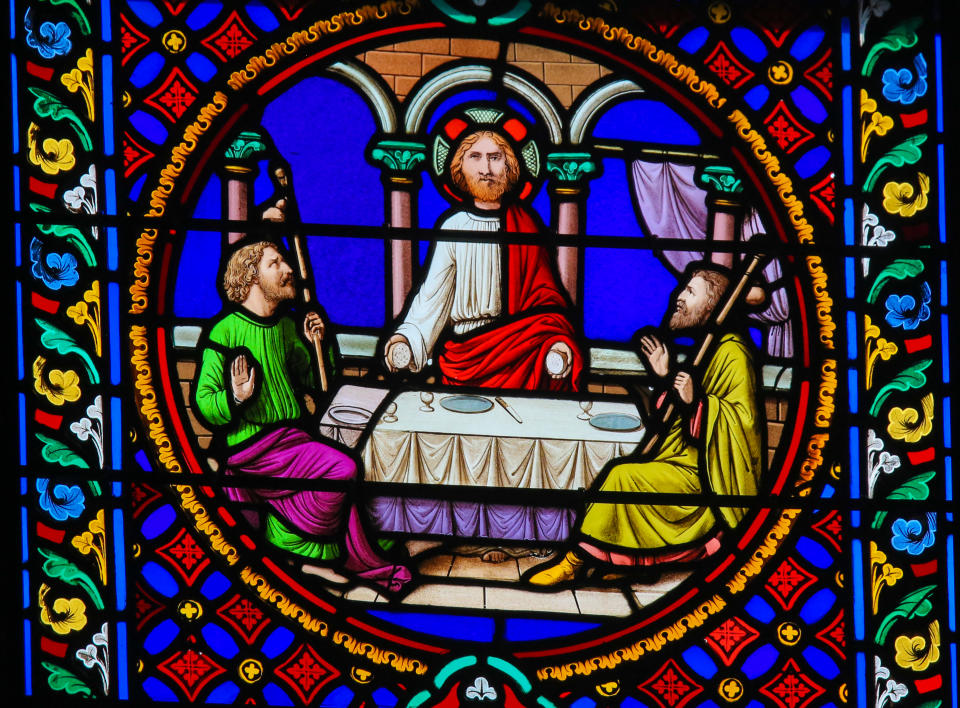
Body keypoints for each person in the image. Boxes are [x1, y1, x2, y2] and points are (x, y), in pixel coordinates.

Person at [527, 265, 763, 585]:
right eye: (682, 289)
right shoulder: (708, 349)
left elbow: (742, 425)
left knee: (622, 475)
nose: (678, 297)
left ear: (713, 306)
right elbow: (675, 418)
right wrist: (665, 376)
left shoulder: (733, 352)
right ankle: (627, 558)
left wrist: (700, 403)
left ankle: (574, 562)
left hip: (705, 476)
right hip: (681, 461)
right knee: (626, 474)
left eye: (690, 292)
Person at [194, 240, 409, 591]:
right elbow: (206, 404)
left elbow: (317, 382)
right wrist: (236, 396)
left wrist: (317, 345)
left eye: (285, 262)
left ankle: (308, 552)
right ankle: (308, 556)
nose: (287, 269)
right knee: (344, 468)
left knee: (354, 464)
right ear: (250, 277)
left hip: (292, 440)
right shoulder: (225, 331)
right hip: (253, 447)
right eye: (275, 263)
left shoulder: (287, 326)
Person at [383, 129, 583, 391]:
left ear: (509, 166)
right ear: (460, 167)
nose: (485, 168)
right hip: (463, 358)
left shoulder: (527, 226)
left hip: (520, 355)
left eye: (495, 157)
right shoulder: (453, 227)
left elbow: (546, 299)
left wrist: (557, 341)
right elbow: (432, 298)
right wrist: (406, 339)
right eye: (475, 157)